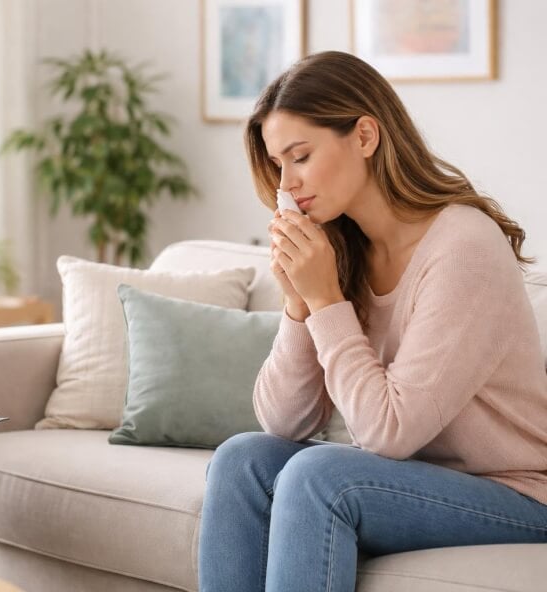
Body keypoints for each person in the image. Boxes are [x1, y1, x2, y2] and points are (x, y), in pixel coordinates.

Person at [198, 50, 547, 592]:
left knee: (322, 479)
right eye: (277, 165)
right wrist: (299, 303)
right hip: (414, 482)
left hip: (521, 497)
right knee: (243, 459)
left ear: (364, 136)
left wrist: (327, 302)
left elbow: (387, 434)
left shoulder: (462, 246)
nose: (286, 185)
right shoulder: (344, 249)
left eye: (301, 156)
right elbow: (283, 423)